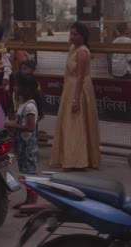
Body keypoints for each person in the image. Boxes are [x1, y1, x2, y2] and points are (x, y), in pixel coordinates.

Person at [50, 21, 100, 171]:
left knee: (75, 123)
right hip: (70, 87)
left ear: (83, 36)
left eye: (75, 34)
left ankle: (74, 161)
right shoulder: (72, 48)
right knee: (68, 123)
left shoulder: (82, 52)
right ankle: (71, 157)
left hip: (79, 89)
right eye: (71, 33)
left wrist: (76, 99)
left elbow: (80, 77)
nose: (72, 36)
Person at [5, 72, 43, 214]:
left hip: (28, 147)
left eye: (18, 85)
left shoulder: (30, 107)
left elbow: (30, 127)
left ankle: (32, 204)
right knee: (26, 174)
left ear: (26, 89)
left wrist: (13, 125)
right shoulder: (23, 104)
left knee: (30, 174)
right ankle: (28, 201)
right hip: (22, 145)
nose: (15, 88)